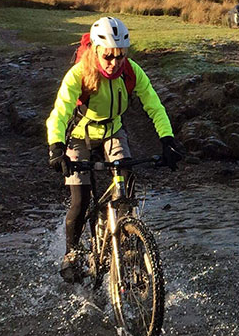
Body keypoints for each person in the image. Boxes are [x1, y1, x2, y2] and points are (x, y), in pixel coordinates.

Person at [45, 16, 183, 281]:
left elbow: (154, 105)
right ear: (96, 51)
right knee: (80, 201)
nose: (114, 63)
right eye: (108, 56)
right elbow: (60, 112)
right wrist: (56, 148)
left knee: (126, 184)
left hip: (112, 130)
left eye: (120, 56)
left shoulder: (131, 72)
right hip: (79, 135)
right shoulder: (79, 74)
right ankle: (71, 253)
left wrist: (167, 140)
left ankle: (126, 240)